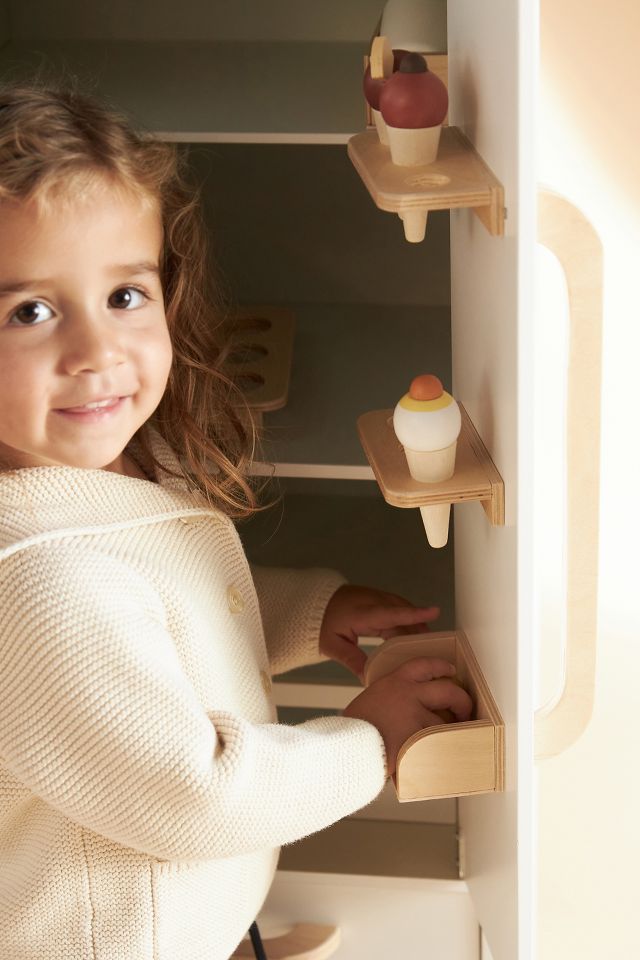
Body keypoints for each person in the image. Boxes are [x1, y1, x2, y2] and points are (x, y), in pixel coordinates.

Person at [0, 82, 472, 960]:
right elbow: (192, 797)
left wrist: (305, 612)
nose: (97, 353)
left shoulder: (98, 469)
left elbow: (160, 604)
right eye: (29, 311)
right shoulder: (40, 586)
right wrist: (371, 739)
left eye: (125, 296)